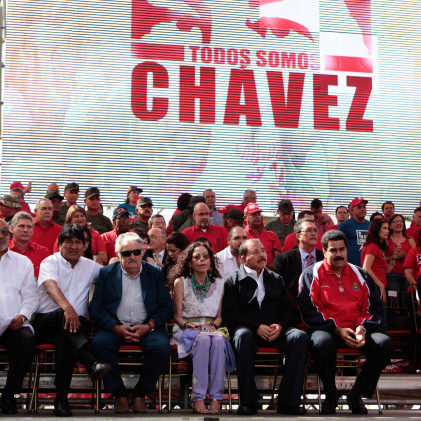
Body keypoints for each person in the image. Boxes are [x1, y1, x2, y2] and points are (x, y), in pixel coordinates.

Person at [298, 230, 393, 415]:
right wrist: (336, 329)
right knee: (321, 343)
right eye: (333, 250)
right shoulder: (311, 274)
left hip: (358, 329)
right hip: (328, 330)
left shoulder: (361, 274)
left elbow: (376, 309)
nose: (339, 254)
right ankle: (331, 395)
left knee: (384, 344)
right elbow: (309, 310)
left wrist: (362, 327)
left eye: (342, 249)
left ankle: (356, 395)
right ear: (324, 252)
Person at [223, 239, 309, 416]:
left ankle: (288, 401)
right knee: (242, 337)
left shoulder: (276, 278)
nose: (262, 255)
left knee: (299, 337)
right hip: (248, 331)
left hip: (276, 331)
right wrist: (256, 327)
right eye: (255, 252)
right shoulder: (233, 281)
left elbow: (290, 309)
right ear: (243, 258)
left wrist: (281, 325)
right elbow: (230, 314)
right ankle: (248, 402)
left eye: (263, 250)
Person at [90, 232, 173, 414]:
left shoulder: (155, 273)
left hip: (147, 327)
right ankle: (119, 394)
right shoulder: (106, 273)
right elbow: (95, 308)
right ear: (118, 255)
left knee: (161, 347)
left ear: (143, 252)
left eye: (136, 252)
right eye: (126, 253)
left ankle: (140, 394)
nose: (132, 257)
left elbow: (167, 307)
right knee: (98, 343)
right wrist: (115, 327)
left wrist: (149, 325)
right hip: (115, 327)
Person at [33, 224, 111, 416]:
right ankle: (90, 362)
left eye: (78, 242)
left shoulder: (90, 266)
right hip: (46, 322)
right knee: (65, 318)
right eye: (69, 242)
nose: (74, 246)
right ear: (59, 244)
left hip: (74, 327)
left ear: (85, 246)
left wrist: (117, 260)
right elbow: (50, 286)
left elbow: (112, 275)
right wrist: (68, 308)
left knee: (66, 338)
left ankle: (61, 400)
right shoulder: (50, 262)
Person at [170, 241, 233, 415]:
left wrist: (213, 326)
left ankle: (216, 398)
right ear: (190, 263)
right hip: (187, 328)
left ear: (211, 260)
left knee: (219, 340)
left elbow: (219, 317)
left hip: (212, 329)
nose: (202, 260)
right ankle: (198, 398)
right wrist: (193, 326)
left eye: (205, 256)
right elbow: (178, 317)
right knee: (204, 339)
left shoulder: (220, 282)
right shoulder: (181, 282)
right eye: (197, 257)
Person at [0, 219, 39, 414]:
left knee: (26, 339)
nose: (1, 236)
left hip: (13, 322)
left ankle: (9, 396)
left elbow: (31, 296)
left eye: (4, 232)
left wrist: (23, 316)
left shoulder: (23, 262)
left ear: (10, 235)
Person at [273, 218, 324, 297]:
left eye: (315, 230)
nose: (313, 233)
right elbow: (279, 288)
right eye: (308, 230)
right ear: (298, 236)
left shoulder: (324, 257)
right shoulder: (283, 259)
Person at [9, 211, 50, 278]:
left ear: (33, 230)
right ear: (12, 229)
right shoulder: (3, 250)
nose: (25, 230)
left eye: (29, 227)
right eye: (21, 226)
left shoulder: (43, 252)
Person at [361, 219, 391, 302]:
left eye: (388, 228)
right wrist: (380, 285)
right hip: (374, 286)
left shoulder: (378, 247)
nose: (388, 231)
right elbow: (366, 268)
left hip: (377, 286)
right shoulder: (372, 246)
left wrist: (394, 257)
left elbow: (387, 270)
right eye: (384, 228)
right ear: (376, 230)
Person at [244, 202, 282, 267]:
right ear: (245, 218)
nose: (257, 217)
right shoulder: (241, 236)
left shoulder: (272, 235)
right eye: (253, 214)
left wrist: (267, 270)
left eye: (258, 214)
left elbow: (278, 260)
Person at [387, 214, 416, 291]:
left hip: (408, 275)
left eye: (401, 221)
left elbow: (416, 258)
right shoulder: (386, 240)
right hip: (391, 275)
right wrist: (395, 257)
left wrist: (407, 256)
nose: (399, 223)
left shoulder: (410, 239)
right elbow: (381, 259)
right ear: (390, 225)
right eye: (396, 221)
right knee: (393, 297)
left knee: (408, 297)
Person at [338, 197, 370, 266]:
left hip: (368, 266)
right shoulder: (344, 225)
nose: (362, 209)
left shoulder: (371, 225)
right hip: (351, 266)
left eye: (364, 207)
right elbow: (338, 246)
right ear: (352, 210)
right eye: (359, 207)